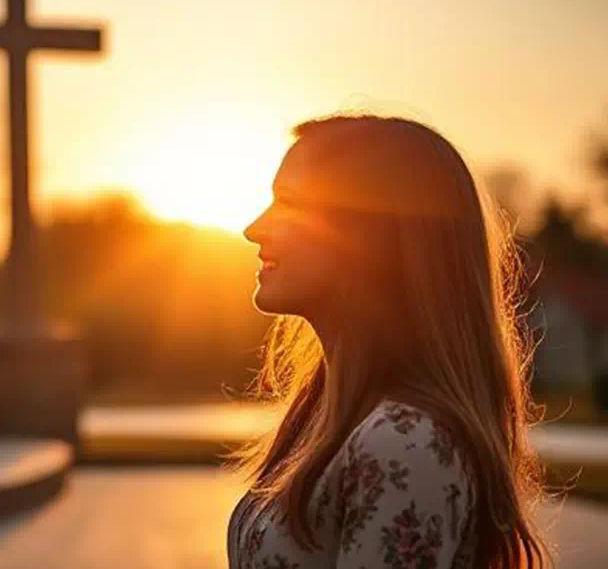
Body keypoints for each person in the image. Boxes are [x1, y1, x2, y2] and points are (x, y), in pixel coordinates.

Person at [230, 115, 552, 568]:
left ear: (367, 235)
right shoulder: (328, 417)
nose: (254, 229)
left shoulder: (405, 440)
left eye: (289, 203)